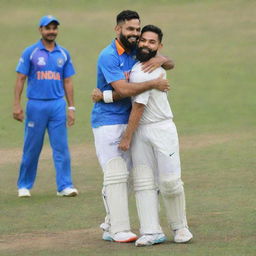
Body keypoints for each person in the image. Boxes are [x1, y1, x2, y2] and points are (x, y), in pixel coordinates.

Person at [91, 10, 174, 243]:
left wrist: (162, 59)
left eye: (137, 30)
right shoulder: (108, 55)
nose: (135, 34)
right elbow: (126, 90)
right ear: (118, 29)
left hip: (131, 121)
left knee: (127, 177)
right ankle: (117, 229)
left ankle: (109, 223)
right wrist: (154, 84)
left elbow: (171, 63)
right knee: (115, 173)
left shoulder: (136, 53)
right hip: (107, 121)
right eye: (130, 29)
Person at [119, 25, 193, 246]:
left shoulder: (150, 69)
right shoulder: (136, 65)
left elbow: (139, 108)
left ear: (159, 46)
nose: (145, 44)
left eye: (152, 42)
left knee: (170, 182)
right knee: (144, 183)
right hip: (142, 131)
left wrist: (126, 137)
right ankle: (151, 231)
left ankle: (180, 227)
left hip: (162, 129)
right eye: (143, 40)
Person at [13, 15, 78, 198]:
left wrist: (71, 108)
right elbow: (20, 79)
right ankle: (24, 185)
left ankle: (64, 186)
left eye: (54, 28)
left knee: (61, 147)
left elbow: (68, 81)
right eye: (47, 28)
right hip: (36, 105)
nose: (51, 31)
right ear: (40, 30)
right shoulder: (31, 52)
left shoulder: (63, 53)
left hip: (57, 105)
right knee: (32, 147)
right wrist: (17, 105)